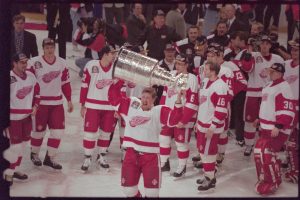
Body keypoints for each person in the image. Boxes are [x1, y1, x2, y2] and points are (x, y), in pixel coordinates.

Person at [108, 83, 183, 197]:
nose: (144, 99)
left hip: (150, 156)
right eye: (143, 97)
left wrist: (178, 101)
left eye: (148, 98)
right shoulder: (132, 105)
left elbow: (174, 119)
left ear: (153, 100)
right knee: (128, 190)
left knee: (152, 193)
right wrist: (118, 81)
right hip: (131, 154)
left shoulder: (159, 111)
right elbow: (114, 99)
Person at [28, 38, 73, 170]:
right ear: (43, 48)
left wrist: (69, 100)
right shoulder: (34, 62)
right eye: (47, 47)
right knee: (38, 132)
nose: (49, 50)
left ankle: (50, 157)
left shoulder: (62, 63)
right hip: (40, 103)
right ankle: (34, 154)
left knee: (58, 132)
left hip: (56, 103)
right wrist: (31, 104)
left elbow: (66, 83)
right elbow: (29, 83)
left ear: (54, 47)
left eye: (51, 47)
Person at [254, 63, 295, 195]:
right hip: (265, 127)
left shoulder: (284, 87)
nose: (269, 73)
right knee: (258, 152)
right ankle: (265, 178)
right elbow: (266, 106)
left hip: (276, 128)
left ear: (279, 73)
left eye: (272, 71)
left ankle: (273, 181)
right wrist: (259, 119)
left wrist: (279, 125)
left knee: (267, 153)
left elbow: (287, 109)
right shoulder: (268, 86)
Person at [240, 35, 284, 156]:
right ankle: (249, 145)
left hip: (270, 94)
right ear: (259, 44)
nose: (264, 45)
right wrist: (248, 54)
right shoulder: (253, 55)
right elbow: (246, 68)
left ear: (270, 45)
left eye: (267, 43)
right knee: (249, 121)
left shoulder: (277, 58)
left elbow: (282, 74)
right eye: (262, 43)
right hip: (253, 93)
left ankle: (262, 144)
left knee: (267, 120)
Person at [79, 45, 118, 172]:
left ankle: (101, 156)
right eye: (112, 53)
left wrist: (118, 107)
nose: (114, 55)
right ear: (105, 54)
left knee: (106, 133)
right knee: (90, 133)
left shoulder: (116, 68)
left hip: (110, 106)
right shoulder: (91, 65)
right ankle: (88, 157)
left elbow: (119, 89)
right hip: (92, 105)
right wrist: (82, 104)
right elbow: (84, 85)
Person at [159, 54, 198, 177]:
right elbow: (164, 95)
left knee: (181, 143)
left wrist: (184, 119)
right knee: (163, 139)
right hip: (169, 115)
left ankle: (182, 167)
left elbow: (193, 101)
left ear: (187, 65)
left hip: (182, 116)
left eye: (181, 64)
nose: (178, 66)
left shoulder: (192, 78)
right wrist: (161, 113)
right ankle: (164, 163)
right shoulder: (171, 74)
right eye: (177, 63)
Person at [3, 53, 39, 185]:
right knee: (15, 147)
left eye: (26, 62)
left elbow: (37, 92)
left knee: (23, 146)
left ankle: (14, 169)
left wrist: (35, 105)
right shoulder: (8, 77)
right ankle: (8, 173)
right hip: (13, 119)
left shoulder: (31, 76)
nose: (25, 64)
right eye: (22, 62)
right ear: (14, 63)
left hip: (27, 118)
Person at [195, 61, 230, 192]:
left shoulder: (220, 86)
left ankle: (210, 179)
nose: (204, 71)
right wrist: (197, 122)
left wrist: (212, 126)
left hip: (211, 127)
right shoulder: (204, 82)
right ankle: (208, 175)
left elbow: (221, 110)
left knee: (208, 153)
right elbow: (202, 105)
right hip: (202, 124)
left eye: (207, 69)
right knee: (203, 152)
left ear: (213, 71)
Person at [283, 38, 299, 183]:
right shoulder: (286, 64)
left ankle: (295, 169)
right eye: (293, 49)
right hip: (287, 106)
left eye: (297, 50)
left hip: (297, 106)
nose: (294, 52)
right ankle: (291, 163)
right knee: (290, 138)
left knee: (293, 139)